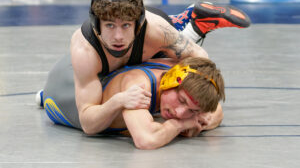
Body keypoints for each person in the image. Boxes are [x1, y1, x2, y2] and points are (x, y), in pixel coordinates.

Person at [36, 0, 249, 147]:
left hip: (152, 42)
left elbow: (200, 60)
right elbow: (89, 125)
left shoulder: (155, 30)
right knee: (91, 92)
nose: (118, 36)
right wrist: (119, 101)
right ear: (96, 24)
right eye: (109, 25)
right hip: (90, 74)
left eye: (126, 26)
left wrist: (199, 100)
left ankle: (190, 29)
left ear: (138, 24)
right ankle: (190, 27)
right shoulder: (86, 50)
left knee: (187, 62)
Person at [38, 56, 225, 149]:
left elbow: (217, 112)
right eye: (181, 101)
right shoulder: (139, 87)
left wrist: (202, 117)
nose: (180, 112)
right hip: (61, 94)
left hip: (91, 75)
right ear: (170, 80)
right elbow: (146, 139)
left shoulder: (180, 71)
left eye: (192, 110)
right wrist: (182, 124)